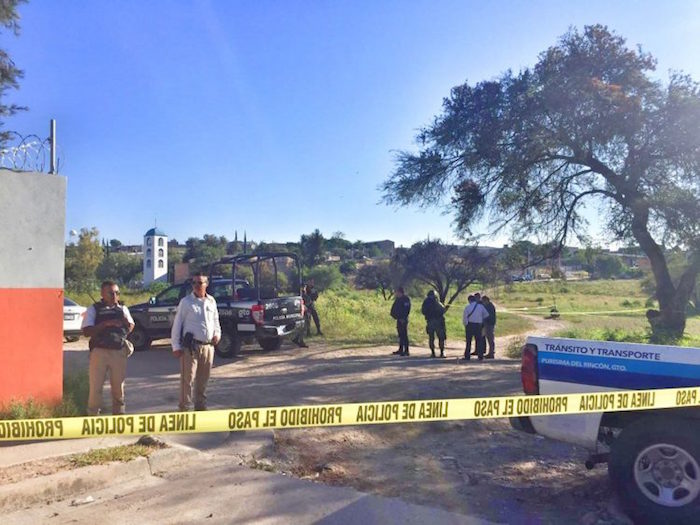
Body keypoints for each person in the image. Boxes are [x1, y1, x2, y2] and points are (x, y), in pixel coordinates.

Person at [81, 280, 135, 416]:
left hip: (118, 351)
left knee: (118, 388)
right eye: (111, 293)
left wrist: (124, 324)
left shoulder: (122, 309)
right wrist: (106, 324)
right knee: (96, 387)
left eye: (117, 293)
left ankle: (119, 416)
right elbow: (86, 331)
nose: (114, 296)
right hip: (99, 352)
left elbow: (131, 326)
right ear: (102, 294)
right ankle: (93, 416)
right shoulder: (94, 309)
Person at [171, 273, 221, 411]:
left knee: (203, 380)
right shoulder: (186, 302)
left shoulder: (211, 301)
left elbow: (216, 321)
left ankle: (200, 408)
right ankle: (184, 409)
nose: (196, 286)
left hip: (208, 346)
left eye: (199, 283)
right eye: (194, 283)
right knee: (188, 380)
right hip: (191, 347)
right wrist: (175, 346)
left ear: (206, 284)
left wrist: (217, 334)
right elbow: (177, 324)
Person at [462, 294, 489, 360]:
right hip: (478, 325)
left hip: (470, 325)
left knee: (468, 341)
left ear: (469, 300)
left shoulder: (467, 307)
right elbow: (486, 314)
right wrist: (480, 318)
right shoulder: (481, 306)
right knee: (479, 341)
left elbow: (465, 317)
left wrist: (466, 324)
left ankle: (467, 355)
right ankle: (480, 356)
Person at [421, 290, 447, 358]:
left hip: (430, 321)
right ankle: (442, 352)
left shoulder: (426, 302)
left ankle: (433, 353)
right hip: (438, 321)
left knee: (431, 338)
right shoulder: (437, 302)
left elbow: (423, 311)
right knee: (441, 337)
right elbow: (443, 310)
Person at [390, 286, 411, 356]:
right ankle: (400, 349)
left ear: (400, 292)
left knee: (404, 335)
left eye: (397, 292)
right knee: (400, 335)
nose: (396, 293)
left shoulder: (406, 299)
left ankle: (406, 350)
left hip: (404, 319)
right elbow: (394, 308)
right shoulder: (398, 299)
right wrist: (394, 315)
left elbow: (407, 310)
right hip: (399, 319)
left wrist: (403, 318)